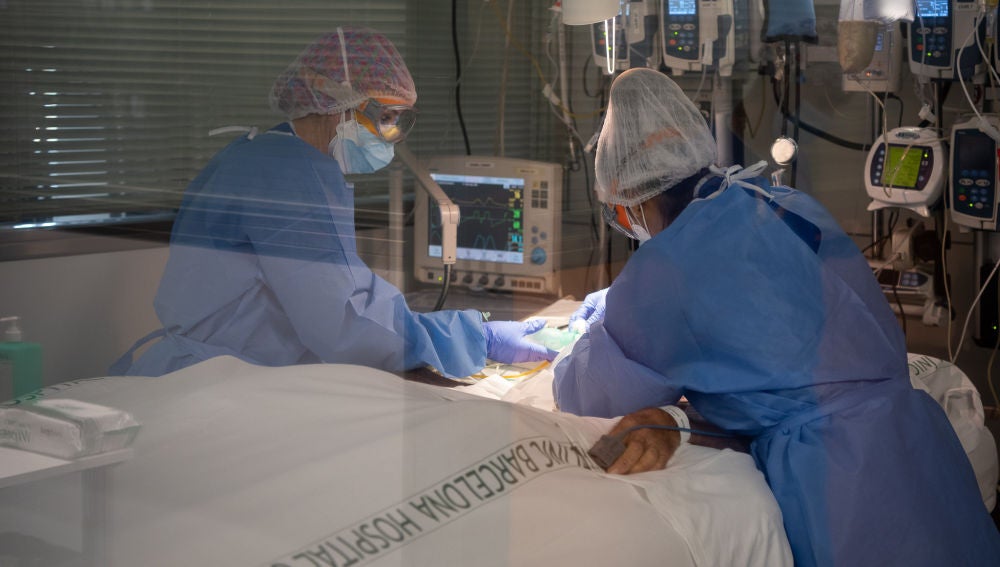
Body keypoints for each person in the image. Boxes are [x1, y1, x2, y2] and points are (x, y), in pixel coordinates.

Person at [553, 68, 1000, 566]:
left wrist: (586, 331)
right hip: (917, 442)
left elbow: (587, 395)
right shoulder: (786, 206)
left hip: (840, 478)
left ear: (626, 192)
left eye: (617, 208)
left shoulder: (665, 269)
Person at [112, 27, 554, 378]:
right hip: (223, 384)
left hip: (212, 371)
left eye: (398, 121)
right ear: (337, 103)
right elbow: (345, 324)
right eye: (384, 117)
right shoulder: (290, 175)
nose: (391, 136)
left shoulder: (256, 155)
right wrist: (475, 336)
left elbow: (326, 298)